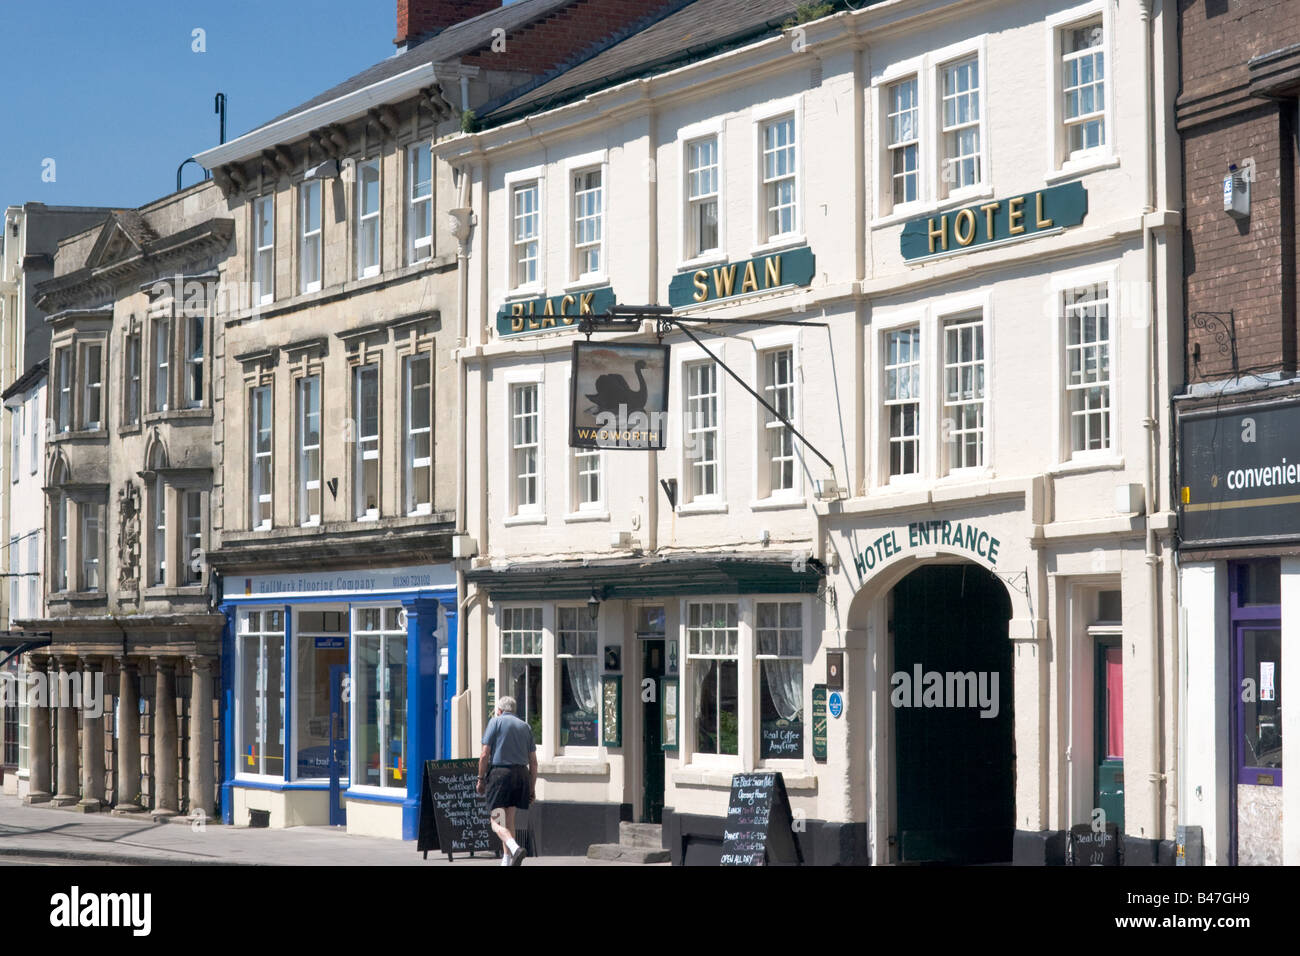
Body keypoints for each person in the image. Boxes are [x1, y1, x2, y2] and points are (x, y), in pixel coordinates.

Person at [477, 696, 537, 866]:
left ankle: (514, 847)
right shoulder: (525, 727)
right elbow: (533, 762)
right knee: (509, 820)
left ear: (499, 710)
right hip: (521, 775)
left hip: (500, 775)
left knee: (496, 822)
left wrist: (480, 778)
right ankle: (507, 860)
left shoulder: (495, 723)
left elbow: (484, 754)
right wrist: (532, 788)